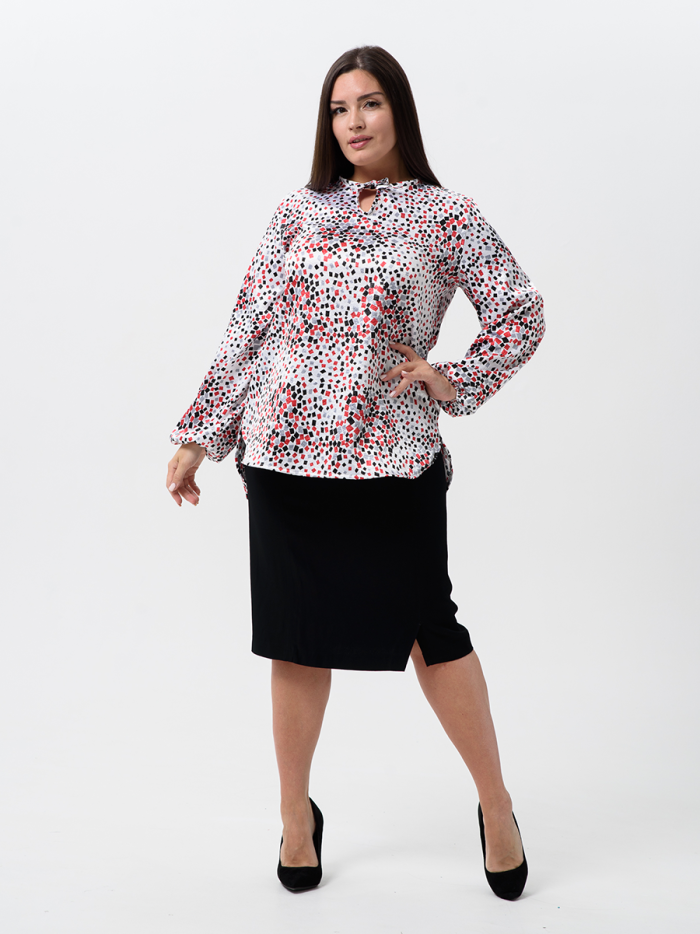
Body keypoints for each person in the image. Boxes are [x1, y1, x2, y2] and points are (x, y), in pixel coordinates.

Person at [166, 45, 545, 900]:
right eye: (339, 109)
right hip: (284, 452)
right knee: (296, 639)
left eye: (369, 103)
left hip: (392, 457)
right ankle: (294, 816)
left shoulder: (446, 215)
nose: (354, 122)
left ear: (399, 110)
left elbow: (520, 312)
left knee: (432, 631)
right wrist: (200, 434)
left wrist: (455, 380)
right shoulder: (297, 212)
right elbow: (250, 326)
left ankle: (496, 804)